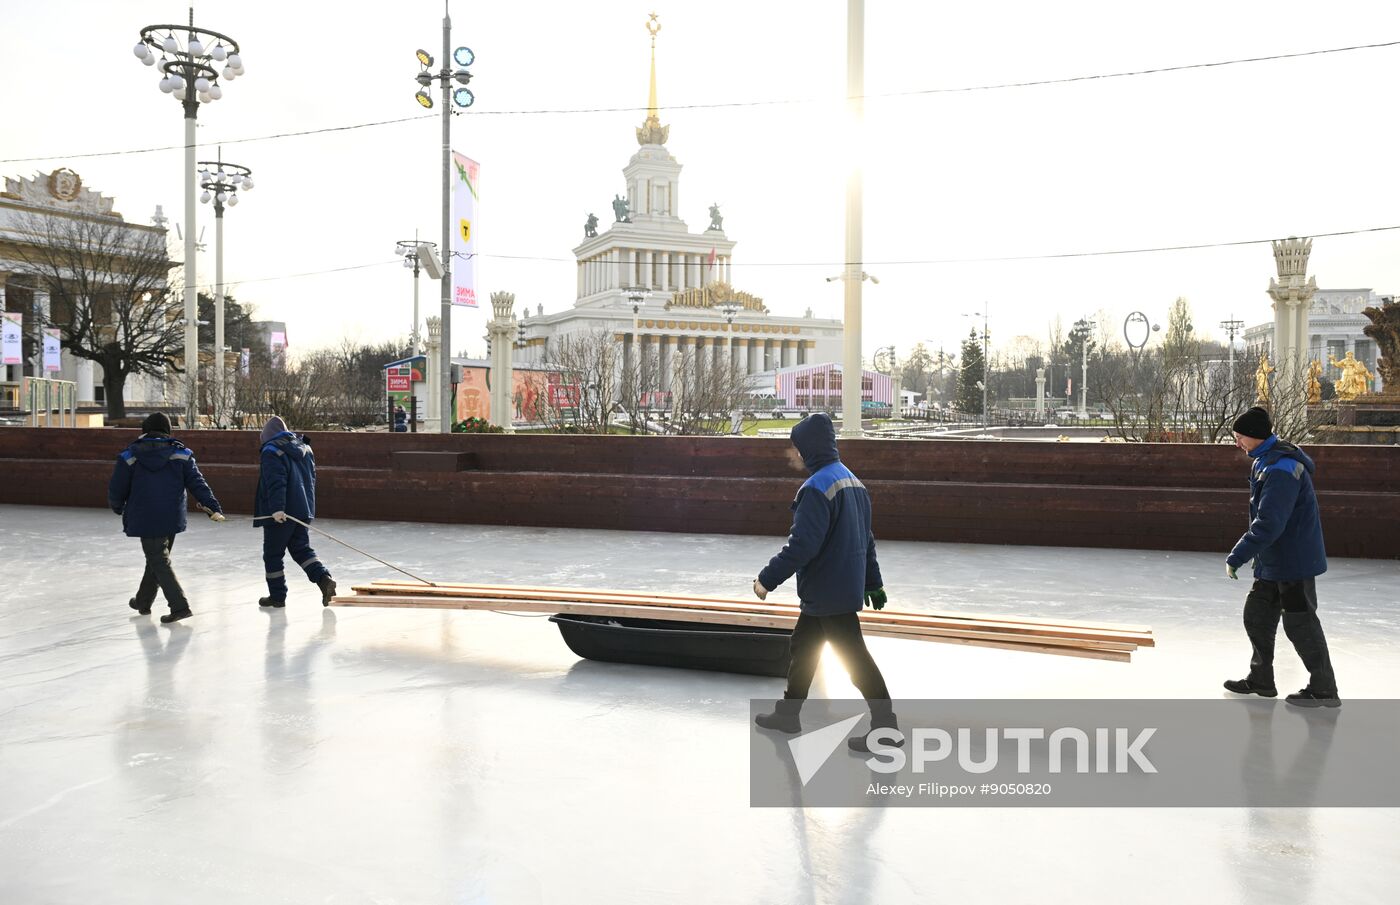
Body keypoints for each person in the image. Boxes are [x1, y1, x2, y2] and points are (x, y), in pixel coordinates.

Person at [751, 412, 898, 752]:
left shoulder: (816, 488)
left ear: (808, 449)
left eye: (797, 448)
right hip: (832, 592)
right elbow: (867, 540)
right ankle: (788, 715)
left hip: (828, 593)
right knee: (803, 649)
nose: (795, 455)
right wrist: (873, 582)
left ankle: (886, 728)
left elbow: (802, 545)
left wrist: (766, 579)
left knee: (855, 661)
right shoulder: (853, 482)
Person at [1223, 406, 1340, 708]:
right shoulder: (1265, 460)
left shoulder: (1282, 468)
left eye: (1239, 437)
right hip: (1273, 560)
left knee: (1300, 624)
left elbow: (1270, 522)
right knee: (1257, 615)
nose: (1237, 443)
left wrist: (1238, 555)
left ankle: (1324, 688)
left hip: (1293, 562)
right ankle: (1261, 679)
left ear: (1255, 436)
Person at [107, 412, 224, 623]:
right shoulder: (182, 454)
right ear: (167, 431)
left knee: (158, 559)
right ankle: (143, 600)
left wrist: (117, 506)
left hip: (145, 515)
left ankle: (180, 606)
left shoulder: (129, 455)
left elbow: (117, 487)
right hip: (171, 516)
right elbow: (198, 483)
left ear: (145, 430)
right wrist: (213, 507)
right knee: (157, 558)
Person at [254, 416, 337, 609]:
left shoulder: (271, 450)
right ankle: (324, 579)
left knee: (273, 555)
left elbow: (276, 481)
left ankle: (277, 596)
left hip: (281, 514)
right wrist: (306, 508)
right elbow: (311, 479)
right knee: (301, 549)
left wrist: (277, 508)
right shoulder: (305, 448)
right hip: (302, 509)